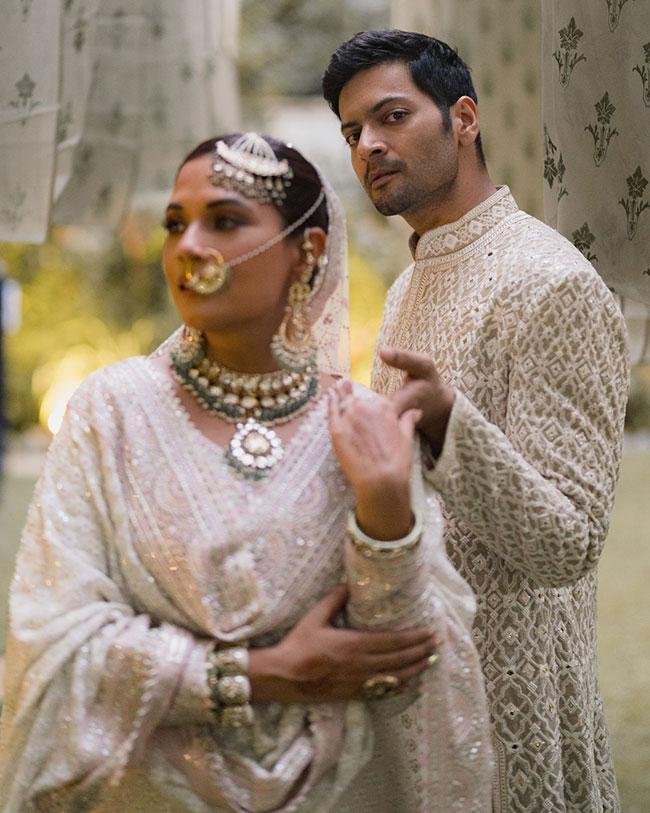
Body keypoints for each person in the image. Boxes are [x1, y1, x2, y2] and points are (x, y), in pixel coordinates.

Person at [0, 133, 493, 812]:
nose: (188, 246)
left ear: (307, 251)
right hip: (149, 791)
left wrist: (385, 511)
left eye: (225, 221)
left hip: (338, 788)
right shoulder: (112, 411)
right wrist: (258, 674)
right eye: (175, 223)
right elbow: (54, 637)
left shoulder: (361, 426)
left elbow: (408, 661)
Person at [322, 30, 629, 813]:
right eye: (353, 132)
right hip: (419, 699)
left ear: (463, 118)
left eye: (392, 116)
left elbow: (570, 544)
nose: (369, 145)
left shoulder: (552, 282)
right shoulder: (411, 284)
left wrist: (450, 423)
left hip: (517, 716)